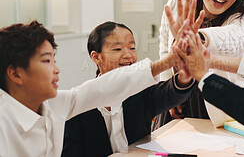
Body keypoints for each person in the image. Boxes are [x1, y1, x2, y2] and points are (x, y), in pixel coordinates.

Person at [0, 21, 180, 156]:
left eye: (54, 61)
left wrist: (170, 61)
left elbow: (105, 87)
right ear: (16, 74)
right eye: (47, 61)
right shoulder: (4, 124)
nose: (57, 69)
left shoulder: (56, 104)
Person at [154, 0, 244, 129]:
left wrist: (198, 38)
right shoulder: (181, 1)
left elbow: (232, 40)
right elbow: (165, 49)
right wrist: (168, 92)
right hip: (179, 98)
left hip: (224, 104)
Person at [61, 22, 196, 156]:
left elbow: (168, 93)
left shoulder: (140, 90)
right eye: (117, 49)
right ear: (96, 57)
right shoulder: (77, 107)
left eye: (132, 48)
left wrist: (184, 77)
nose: (128, 55)